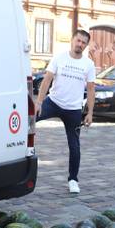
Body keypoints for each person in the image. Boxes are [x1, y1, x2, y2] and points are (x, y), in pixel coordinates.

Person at [35, 29, 96, 194]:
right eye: (78, 40)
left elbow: (91, 89)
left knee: (74, 146)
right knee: (28, 121)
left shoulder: (88, 64)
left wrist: (90, 112)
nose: (80, 44)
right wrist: (39, 102)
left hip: (73, 110)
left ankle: (73, 180)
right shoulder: (59, 57)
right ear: (72, 40)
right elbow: (47, 79)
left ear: (86, 45)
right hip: (53, 102)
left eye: (83, 42)